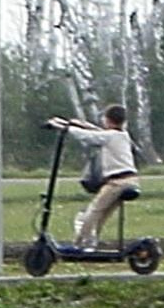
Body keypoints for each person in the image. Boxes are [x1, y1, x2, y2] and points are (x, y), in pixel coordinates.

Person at [50, 104, 139, 249]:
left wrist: (65, 128)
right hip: (131, 181)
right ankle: (91, 240)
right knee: (102, 215)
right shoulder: (122, 135)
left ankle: (82, 243)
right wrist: (77, 123)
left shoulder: (110, 136)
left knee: (92, 211)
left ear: (107, 120)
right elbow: (96, 131)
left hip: (117, 182)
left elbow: (89, 136)